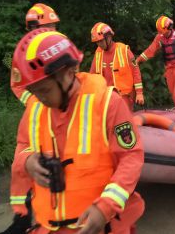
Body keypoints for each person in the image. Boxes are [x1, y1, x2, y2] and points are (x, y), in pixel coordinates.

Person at [8, 29, 145, 234]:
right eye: (33, 91)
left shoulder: (107, 103)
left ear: (68, 73)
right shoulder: (35, 108)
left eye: (44, 90)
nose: (39, 98)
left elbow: (131, 157)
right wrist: (27, 161)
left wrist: (106, 206)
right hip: (46, 227)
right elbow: (22, 145)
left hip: (100, 226)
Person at [2, 3, 61, 234]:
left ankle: (57, 211)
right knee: (21, 163)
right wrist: (35, 100)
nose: (53, 31)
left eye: (54, 26)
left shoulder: (58, 45)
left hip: (61, 111)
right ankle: (22, 218)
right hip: (35, 113)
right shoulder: (24, 52)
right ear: (35, 27)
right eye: (49, 27)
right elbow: (16, 84)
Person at [90, 22, 145, 111]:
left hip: (124, 96)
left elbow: (135, 71)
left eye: (100, 41)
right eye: (97, 42)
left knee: (123, 122)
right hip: (106, 96)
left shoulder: (124, 50)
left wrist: (139, 93)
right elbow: (92, 75)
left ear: (109, 37)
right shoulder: (98, 52)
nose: (99, 44)